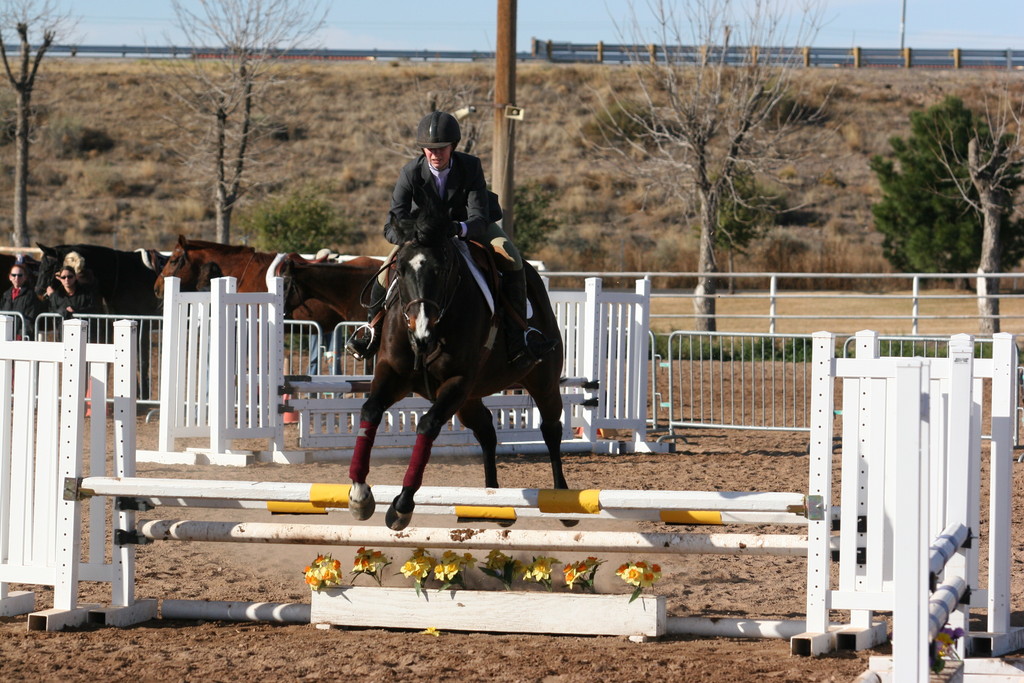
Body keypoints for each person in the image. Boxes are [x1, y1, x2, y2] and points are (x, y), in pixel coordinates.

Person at [346, 110, 554, 369]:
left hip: (466, 225)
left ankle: (521, 334)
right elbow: (391, 224)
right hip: (424, 233)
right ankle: (371, 331)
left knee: (510, 256)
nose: (435, 154)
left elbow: (479, 219)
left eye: (441, 148)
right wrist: (410, 235)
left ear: (453, 146)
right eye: (429, 148)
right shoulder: (410, 172)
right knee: (383, 270)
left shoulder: (470, 166)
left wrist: (456, 229)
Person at [0, 262, 43, 339]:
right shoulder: (6, 294)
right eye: (14, 275)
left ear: (25, 277)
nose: (16, 278)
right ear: (10, 277)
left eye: (20, 275)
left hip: (22, 338)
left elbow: (30, 318)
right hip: (5, 336)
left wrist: (21, 335)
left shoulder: (30, 295)